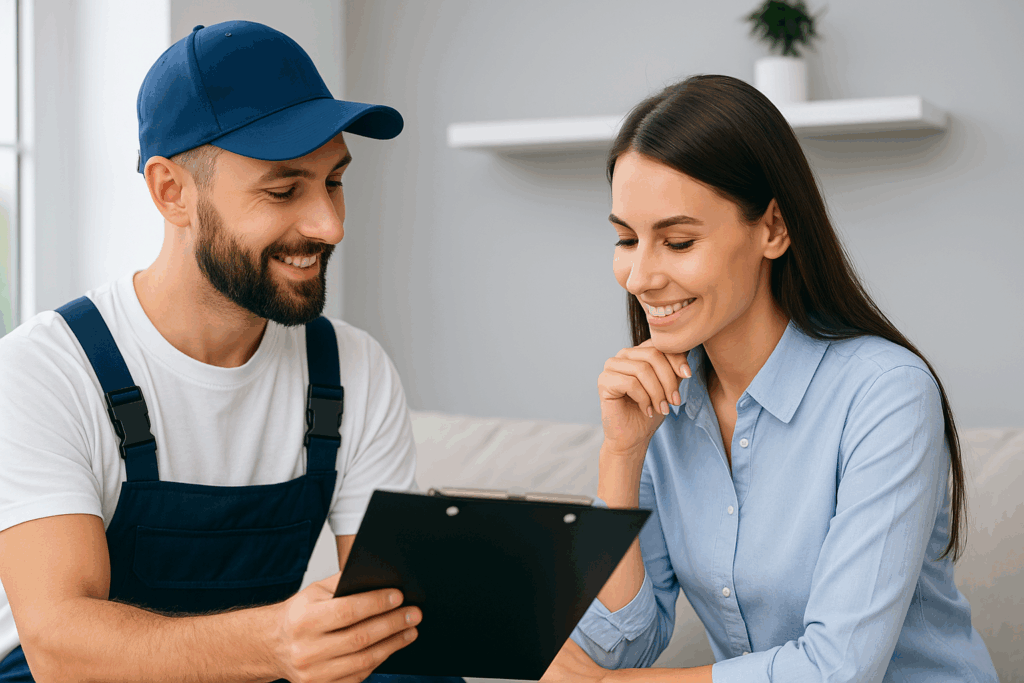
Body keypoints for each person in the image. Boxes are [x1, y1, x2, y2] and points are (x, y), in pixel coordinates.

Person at [0, 21, 463, 683]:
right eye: (282, 191)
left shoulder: (352, 371)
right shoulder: (44, 371)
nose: (329, 225)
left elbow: (389, 626)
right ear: (171, 191)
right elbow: (62, 649)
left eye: (334, 182)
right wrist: (274, 642)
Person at [540, 75, 999, 682]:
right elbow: (617, 646)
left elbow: (838, 669)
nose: (639, 276)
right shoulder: (662, 405)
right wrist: (621, 456)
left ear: (773, 229)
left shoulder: (886, 393)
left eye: (677, 242)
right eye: (626, 238)